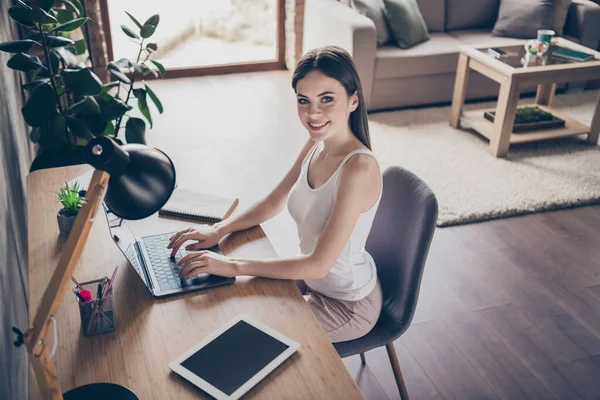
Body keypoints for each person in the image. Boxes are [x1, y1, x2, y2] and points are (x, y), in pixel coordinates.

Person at [167, 46, 383, 343]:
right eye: (303, 101)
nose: (313, 113)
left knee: (247, 338)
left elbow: (318, 264)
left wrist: (232, 266)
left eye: (327, 99)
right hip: (314, 283)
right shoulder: (317, 143)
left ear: (353, 100)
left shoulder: (358, 169)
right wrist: (219, 229)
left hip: (347, 305)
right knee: (224, 304)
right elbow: (272, 202)